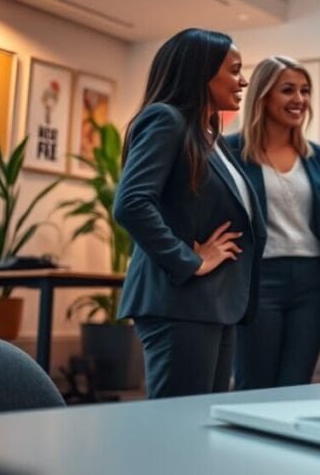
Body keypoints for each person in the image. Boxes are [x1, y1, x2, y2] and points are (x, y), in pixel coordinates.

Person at [114, 28, 266, 398]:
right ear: (201, 72)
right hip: (180, 302)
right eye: (234, 70)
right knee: (174, 427)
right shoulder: (166, 120)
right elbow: (131, 203)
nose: (243, 80)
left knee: (199, 424)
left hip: (214, 304)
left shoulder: (209, 134)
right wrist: (190, 260)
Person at [226, 56, 320, 389]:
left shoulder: (317, 156)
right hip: (259, 280)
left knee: (296, 384)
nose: (299, 99)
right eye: (288, 90)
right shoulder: (231, 150)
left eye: (305, 91)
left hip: (312, 281)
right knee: (253, 383)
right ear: (263, 96)